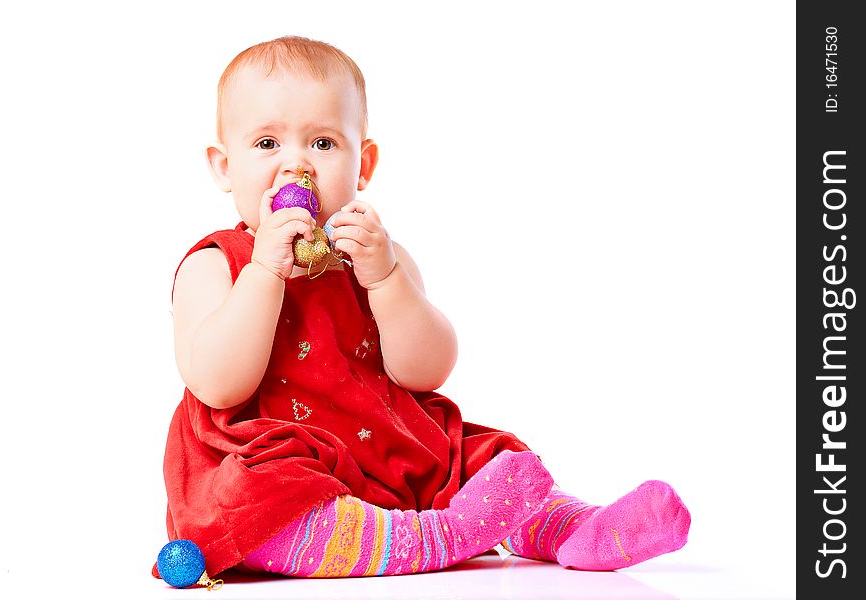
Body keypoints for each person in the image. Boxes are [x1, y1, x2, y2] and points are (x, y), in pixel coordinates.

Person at [156, 36, 690, 581]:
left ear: (363, 164)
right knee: (264, 501)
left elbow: (425, 370)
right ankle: (429, 539)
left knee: (482, 458)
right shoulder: (218, 264)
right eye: (266, 144)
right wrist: (264, 274)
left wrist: (387, 280)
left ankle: (576, 529)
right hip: (277, 457)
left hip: (387, 445)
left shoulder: (376, 255)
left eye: (322, 143)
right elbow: (219, 385)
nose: (297, 164)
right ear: (224, 168)